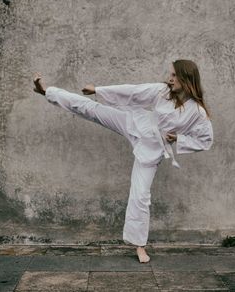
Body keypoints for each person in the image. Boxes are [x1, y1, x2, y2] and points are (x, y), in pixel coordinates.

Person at [33, 59, 213, 263]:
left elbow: (205, 140)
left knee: (141, 195)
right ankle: (48, 92)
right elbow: (134, 92)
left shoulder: (197, 112)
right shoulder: (162, 91)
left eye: (174, 75)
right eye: (170, 74)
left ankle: (140, 246)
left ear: (186, 78)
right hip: (135, 124)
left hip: (151, 149)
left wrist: (180, 139)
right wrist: (98, 90)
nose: (169, 78)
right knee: (91, 109)